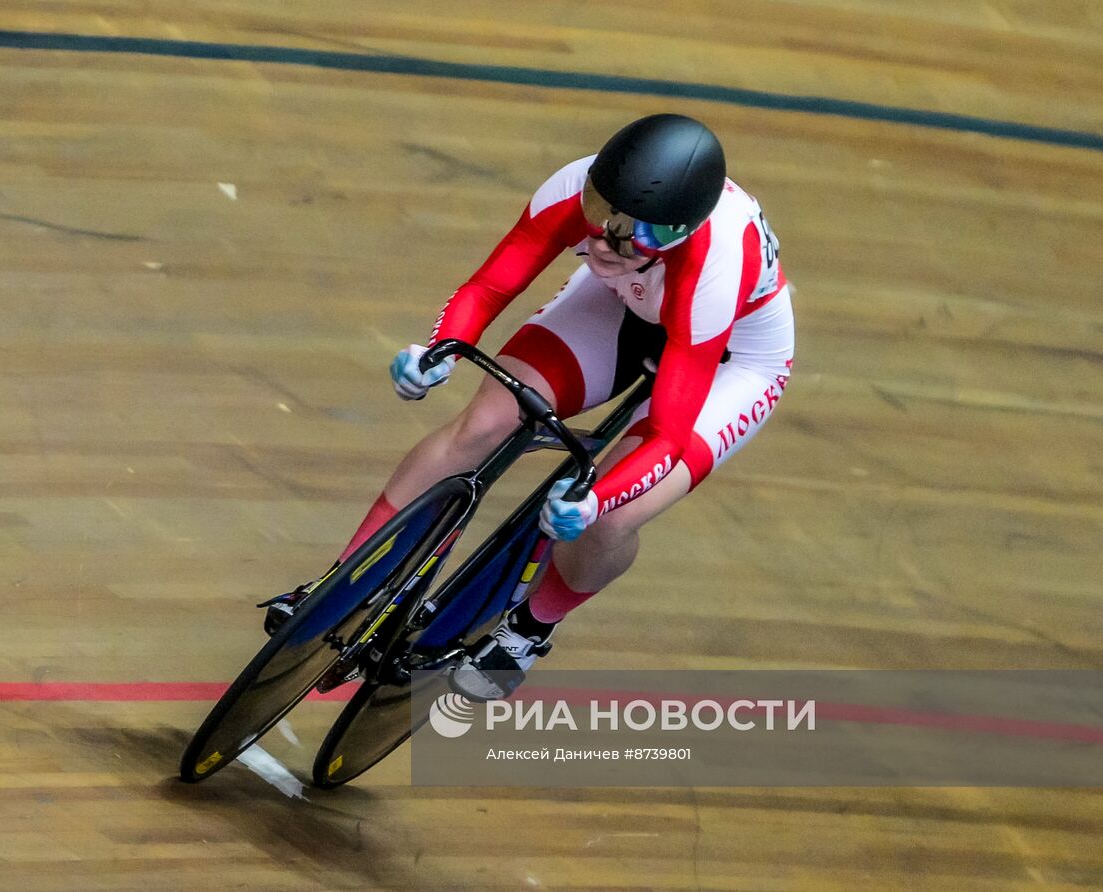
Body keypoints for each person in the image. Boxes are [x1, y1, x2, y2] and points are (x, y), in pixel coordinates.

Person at [264, 113, 794, 699]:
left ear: (677, 233)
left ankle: (531, 627)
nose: (603, 238)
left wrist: (599, 498)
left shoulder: (714, 265)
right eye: (601, 211)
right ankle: (343, 581)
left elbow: (669, 434)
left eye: (631, 232)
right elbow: (490, 286)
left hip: (730, 357)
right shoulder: (579, 189)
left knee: (614, 517)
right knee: (486, 421)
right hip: (625, 299)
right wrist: (441, 351)